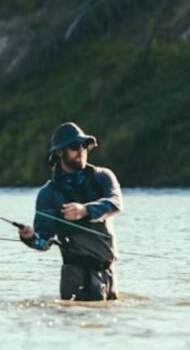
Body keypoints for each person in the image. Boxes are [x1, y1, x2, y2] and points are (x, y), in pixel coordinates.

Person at [18, 122, 123, 301]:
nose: (81, 150)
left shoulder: (103, 176)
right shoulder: (48, 193)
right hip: (75, 277)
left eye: (84, 145)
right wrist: (28, 237)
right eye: (75, 146)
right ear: (59, 152)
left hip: (108, 274)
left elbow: (115, 203)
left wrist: (85, 210)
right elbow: (43, 242)